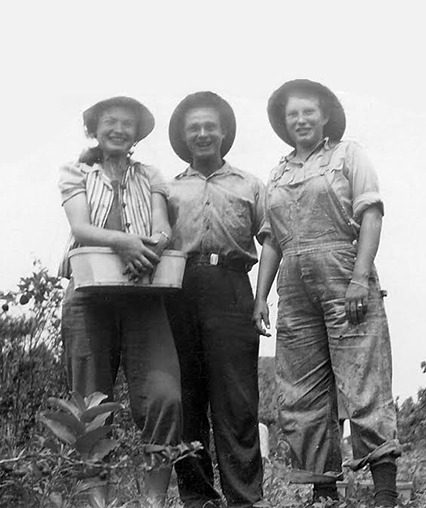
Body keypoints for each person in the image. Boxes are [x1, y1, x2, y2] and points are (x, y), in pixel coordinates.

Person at [253, 79, 401, 507]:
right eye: (292, 115)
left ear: (325, 117)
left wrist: (359, 278)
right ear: (285, 123)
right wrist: (261, 297)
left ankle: (385, 493)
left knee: (363, 380)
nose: (301, 120)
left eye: (308, 112)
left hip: (343, 272)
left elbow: (371, 214)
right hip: (294, 286)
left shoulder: (349, 155)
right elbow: (272, 241)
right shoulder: (278, 172)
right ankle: (323, 492)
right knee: (302, 389)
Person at [58, 96, 182, 507]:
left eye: (127, 124)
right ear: (95, 128)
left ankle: (154, 501)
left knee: (166, 397)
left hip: (143, 295)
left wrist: (153, 246)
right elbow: (81, 226)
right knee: (89, 404)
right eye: (110, 121)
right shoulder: (75, 171)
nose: (118, 129)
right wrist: (125, 242)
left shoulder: (150, 175)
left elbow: (163, 227)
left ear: (136, 134)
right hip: (88, 296)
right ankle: (97, 502)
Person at [164, 91, 265, 508]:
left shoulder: (250, 185)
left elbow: (272, 241)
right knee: (186, 399)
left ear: (223, 132)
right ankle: (198, 498)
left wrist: (261, 299)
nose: (203, 134)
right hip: (179, 291)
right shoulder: (166, 190)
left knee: (238, 401)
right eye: (194, 128)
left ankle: (245, 498)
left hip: (232, 288)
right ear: (185, 137)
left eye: (210, 126)